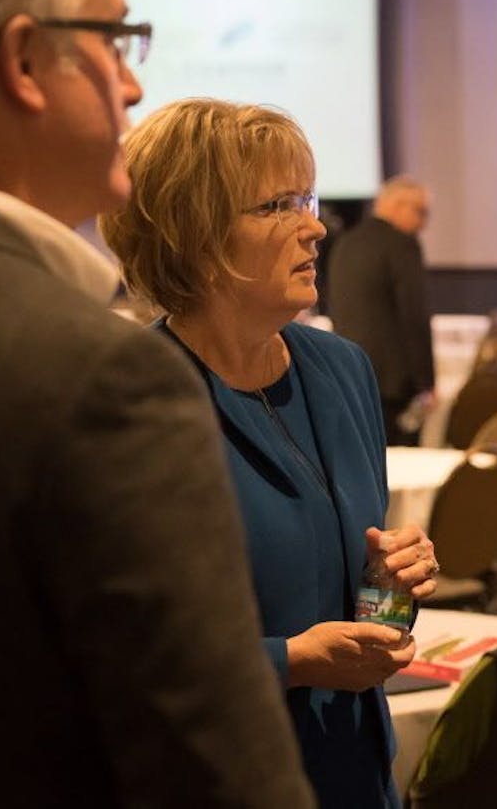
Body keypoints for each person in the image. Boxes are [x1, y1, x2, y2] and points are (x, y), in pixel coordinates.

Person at [0, 0, 313, 806]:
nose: (134, 81)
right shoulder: (94, 375)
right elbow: (216, 776)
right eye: (112, 38)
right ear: (22, 62)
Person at [101, 99, 441, 809]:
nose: (315, 226)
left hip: (355, 775)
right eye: (278, 206)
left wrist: (395, 580)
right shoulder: (129, 400)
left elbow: (354, 585)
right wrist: (289, 662)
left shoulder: (343, 369)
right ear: (197, 235)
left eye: (308, 200)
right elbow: (117, 658)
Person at [326, 175, 435, 445]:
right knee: (404, 466)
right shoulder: (402, 244)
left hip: (350, 377)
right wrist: (426, 384)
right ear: (397, 205)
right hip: (395, 386)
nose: (424, 223)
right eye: (420, 212)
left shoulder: (345, 242)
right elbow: (414, 317)